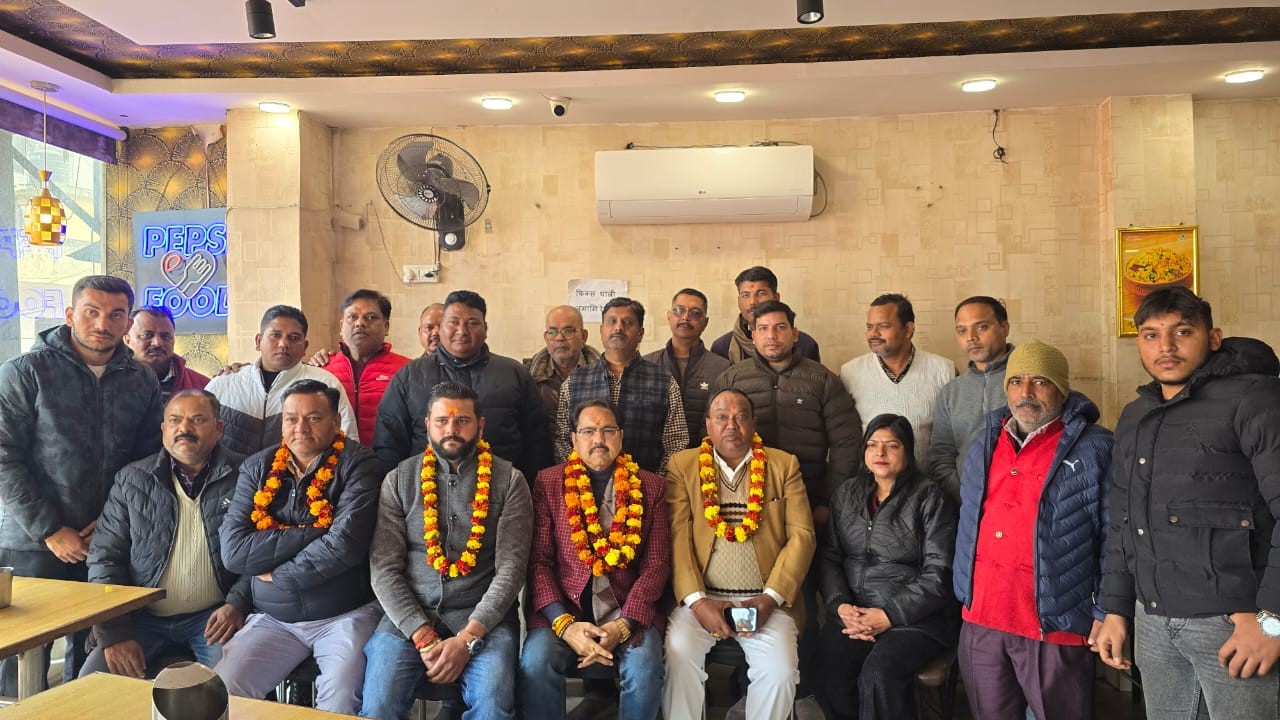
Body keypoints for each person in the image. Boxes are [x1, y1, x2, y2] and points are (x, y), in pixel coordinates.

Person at [1094, 287, 1280, 718]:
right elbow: (1123, 521)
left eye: (1182, 332)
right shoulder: (1136, 416)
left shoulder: (1255, 399)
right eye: (1151, 335)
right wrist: (1116, 610)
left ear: (1213, 338)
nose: (1166, 347)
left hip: (1236, 625)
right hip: (1154, 623)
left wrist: (1272, 623)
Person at [0, 275, 163, 694]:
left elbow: (146, 461)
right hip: (33, 543)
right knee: (21, 659)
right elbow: (4, 457)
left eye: (115, 315)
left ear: (128, 322)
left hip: (105, 541)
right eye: (92, 312)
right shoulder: (26, 372)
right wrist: (50, 529)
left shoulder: (141, 379)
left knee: (90, 652)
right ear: (71, 314)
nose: (102, 324)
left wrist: (111, 524)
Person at [951, 340, 1111, 720]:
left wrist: (1107, 609)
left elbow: (1114, 537)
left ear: (1061, 389)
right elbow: (968, 519)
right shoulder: (985, 440)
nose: (1025, 392)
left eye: (1039, 381)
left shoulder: (1096, 447)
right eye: (1016, 381)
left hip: (1054, 623)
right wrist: (965, 593)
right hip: (982, 617)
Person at [361, 382, 532, 720]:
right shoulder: (398, 480)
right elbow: (383, 569)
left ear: (480, 425)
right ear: (428, 425)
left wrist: (468, 638)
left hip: (484, 621)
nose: (451, 429)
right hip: (408, 618)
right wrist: (422, 635)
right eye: (442, 421)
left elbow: (511, 571)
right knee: (378, 705)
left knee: (493, 705)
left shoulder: (510, 481)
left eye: (462, 421)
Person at [216, 380, 383, 714]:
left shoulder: (360, 465)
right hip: (274, 618)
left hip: (344, 614)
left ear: (336, 422)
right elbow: (234, 551)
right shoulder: (258, 467)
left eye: (314, 418)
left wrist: (278, 577)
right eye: (291, 418)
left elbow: (344, 545)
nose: (300, 428)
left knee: (339, 700)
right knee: (223, 692)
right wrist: (314, 530)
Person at [663, 388, 816, 720]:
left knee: (779, 672)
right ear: (708, 424)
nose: (731, 425)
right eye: (722, 417)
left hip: (766, 600)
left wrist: (770, 598)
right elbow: (676, 537)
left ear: (754, 423)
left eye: (741, 416)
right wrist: (698, 602)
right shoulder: (683, 466)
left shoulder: (783, 465)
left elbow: (802, 536)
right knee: (677, 655)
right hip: (700, 600)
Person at [82, 390, 248, 678]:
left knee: (233, 688)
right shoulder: (132, 480)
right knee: (90, 686)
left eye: (198, 419)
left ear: (219, 428)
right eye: (175, 420)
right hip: (141, 617)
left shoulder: (246, 475)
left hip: (214, 618)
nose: (184, 428)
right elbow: (105, 560)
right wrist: (115, 633)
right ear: (163, 429)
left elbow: (262, 554)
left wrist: (238, 603)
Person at [521, 400, 670, 720]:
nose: (599, 439)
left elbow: (656, 565)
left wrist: (624, 625)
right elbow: (538, 563)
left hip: (628, 612)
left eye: (608, 431)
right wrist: (565, 625)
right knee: (535, 662)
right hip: (564, 612)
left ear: (621, 436)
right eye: (588, 431)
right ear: (573, 439)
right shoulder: (549, 482)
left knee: (644, 668)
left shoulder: (651, 486)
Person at [816, 414, 958, 720]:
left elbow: (940, 572)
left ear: (907, 451)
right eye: (872, 444)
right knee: (829, 670)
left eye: (892, 445)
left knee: (879, 674)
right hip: (855, 613)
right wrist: (840, 606)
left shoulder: (930, 497)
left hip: (916, 619)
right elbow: (830, 557)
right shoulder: (846, 494)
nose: (880, 453)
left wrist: (889, 615)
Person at [376, 290, 551, 482]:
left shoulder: (513, 373)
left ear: (485, 329)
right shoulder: (409, 376)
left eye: (472, 323)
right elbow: (389, 444)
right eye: (453, 322)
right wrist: (397, 490)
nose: (461, 331)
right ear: (442, 328)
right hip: (425, 490)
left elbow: (537, 441)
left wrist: (529, 489)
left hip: (501, 489)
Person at [554, 297, 688, 476]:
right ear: (601, 330)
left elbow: (676, 441)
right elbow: (563, 440)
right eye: (612, 322)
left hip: (645, 487)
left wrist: (655, 483)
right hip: (582, 487)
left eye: (627, 322)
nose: (618, 328)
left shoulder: (663, 381)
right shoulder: (575, 382)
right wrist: (577, 479)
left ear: (640, 333)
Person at [205, 305, 358, 455]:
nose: (283, 344)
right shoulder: (224, 384)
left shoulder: (325, 384)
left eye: (294, 338)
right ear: (258, 341)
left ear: (305, 347)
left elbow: (348, 443)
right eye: (275, 335)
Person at [839, 294, 954, 465]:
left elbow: (952, 438)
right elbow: (844, 438)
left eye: (883, 326)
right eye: (869, 327)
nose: (873, 333)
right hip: (871, 479)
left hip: (929, 479)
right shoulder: (850, 372)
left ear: (908, 329)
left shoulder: (944, 370)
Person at [928, 296, 1015, 501]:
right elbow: (941, 455)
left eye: (982, 327)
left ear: (1004, 328)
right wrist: (966, 497)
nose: (971, 337)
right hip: (964, 505)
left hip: (1018, 505)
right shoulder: (951, 392)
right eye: (962, 330)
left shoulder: (1028, 382)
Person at [309, 289, 412, 445]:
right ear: (341, 326)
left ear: (386, 327)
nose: (360, 323)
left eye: (370, 317)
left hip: (391, 458)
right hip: (335, 458)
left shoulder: (407, 370)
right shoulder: (323, 369)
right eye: (352, 317)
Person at [644, 289, 730, 449]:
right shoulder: (648, 364)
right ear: (669, 316)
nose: (685, 317)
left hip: (705, 456)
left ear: (705, 322)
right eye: (679, 310)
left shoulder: (722, 368)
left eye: (695, 313)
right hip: (655, 457)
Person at [711, 266, 820, 364]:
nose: (752, 302)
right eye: (745, 295)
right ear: (738, 301)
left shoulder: (805, 345)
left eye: (761, 293)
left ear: (776, 298)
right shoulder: (722, 347)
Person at [526, 305, 600, 420]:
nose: (559, 338)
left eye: (568, 331)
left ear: (583, 336)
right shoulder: (528, 375)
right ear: (546, 338)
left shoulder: (604, 375)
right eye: (552, 332)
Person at [125, 305, 210, 402]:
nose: (157, 343)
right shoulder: (111, 382)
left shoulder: (204, 388)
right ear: (127, 340)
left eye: (166, 336)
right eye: (147, 335)